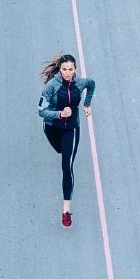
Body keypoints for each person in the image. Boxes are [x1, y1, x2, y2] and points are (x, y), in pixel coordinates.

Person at [37, 53, 95, 228]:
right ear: (60, 70)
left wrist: (86, 104)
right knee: (60, 150)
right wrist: (59, 114)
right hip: (52, 127)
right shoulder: (51, 86)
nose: (67, 73)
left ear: (75, 69)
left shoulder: (81, 82)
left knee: (66, 166)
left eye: (71, 69)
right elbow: (41, 110)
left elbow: (92, 85)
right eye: (64, 69)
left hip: (71, 128)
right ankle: (63, 150)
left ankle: (66, 211)